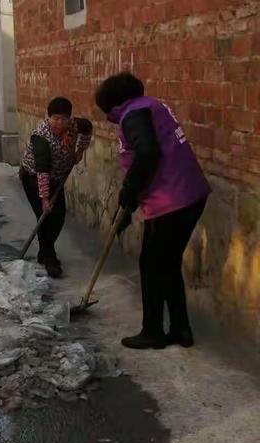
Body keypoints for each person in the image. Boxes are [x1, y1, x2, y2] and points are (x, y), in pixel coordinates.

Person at [95, 72, 211, 350]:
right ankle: (180, 329)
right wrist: (129, 205)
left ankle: (153, 331)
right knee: (167, 264)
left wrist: (128, 193)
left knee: (152, 265)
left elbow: (147, 154)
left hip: (172, 200)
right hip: (189, 195)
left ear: (114, 103)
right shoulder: (150, 106)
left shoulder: (133, 114)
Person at [19, 97, 92, 278]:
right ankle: (49, 257)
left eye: (63, 119)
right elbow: (42, 169)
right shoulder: (41, 137)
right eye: (55, 118)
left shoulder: (74, 126)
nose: (59, 123)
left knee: (58, 216)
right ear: (48, 117)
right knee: (44, 217)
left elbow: (88, 128)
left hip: (57, 177)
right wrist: (44, 199)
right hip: (33, 177)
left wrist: (79, 152)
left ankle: (44, 252)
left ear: (69, 119)